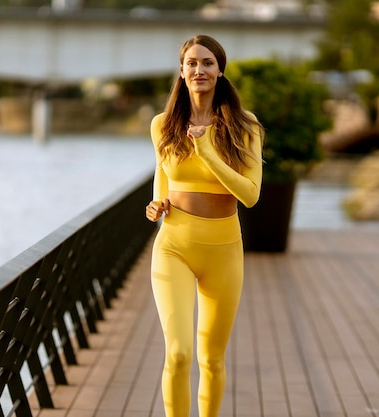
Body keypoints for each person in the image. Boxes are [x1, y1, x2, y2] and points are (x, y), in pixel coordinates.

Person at [145, 35, 264, 417]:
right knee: (178, 354)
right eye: (192, 63)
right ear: (181, 72)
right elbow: (163, 172)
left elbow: (250, 195)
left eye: (207, 62)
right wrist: (158, 200)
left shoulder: (245, 126)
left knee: (211, 359)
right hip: (174, 245)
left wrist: (208, 152)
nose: (199, 70)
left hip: (223, 249)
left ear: (220, 70)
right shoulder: (163, 124)